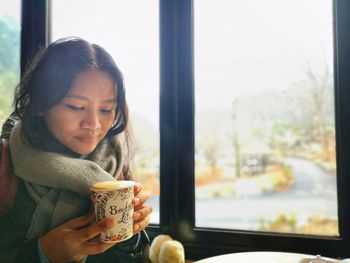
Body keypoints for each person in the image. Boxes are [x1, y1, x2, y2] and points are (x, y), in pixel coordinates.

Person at [0, 37, 152, 262]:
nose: (93, 124)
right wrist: (42, 254)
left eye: (106, 109)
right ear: (42, 103)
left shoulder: (112, 165)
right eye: (76, 107)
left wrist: (131, 233)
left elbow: (129, 258)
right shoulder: (5, 164)